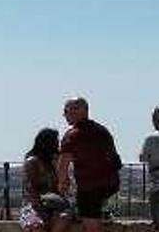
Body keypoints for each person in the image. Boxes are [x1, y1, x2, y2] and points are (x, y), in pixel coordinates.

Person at [57, 97, 121, 232]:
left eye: (66, 111)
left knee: (92, 226)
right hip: (110, 184)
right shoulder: (102, 131)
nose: (65, 115)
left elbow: (62, 166)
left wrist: (61, 187)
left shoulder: (72, 135)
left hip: (89, 187)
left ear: (78, 111)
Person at [20, 128, 71, 232]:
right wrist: (41, 211)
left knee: (64, 218)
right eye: (55, 142)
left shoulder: (53, 163)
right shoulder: (33, 162)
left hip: (54, 204)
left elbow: (62, 186)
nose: (58, 145)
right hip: (35, 205)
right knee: (36, 226)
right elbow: (31, 188)